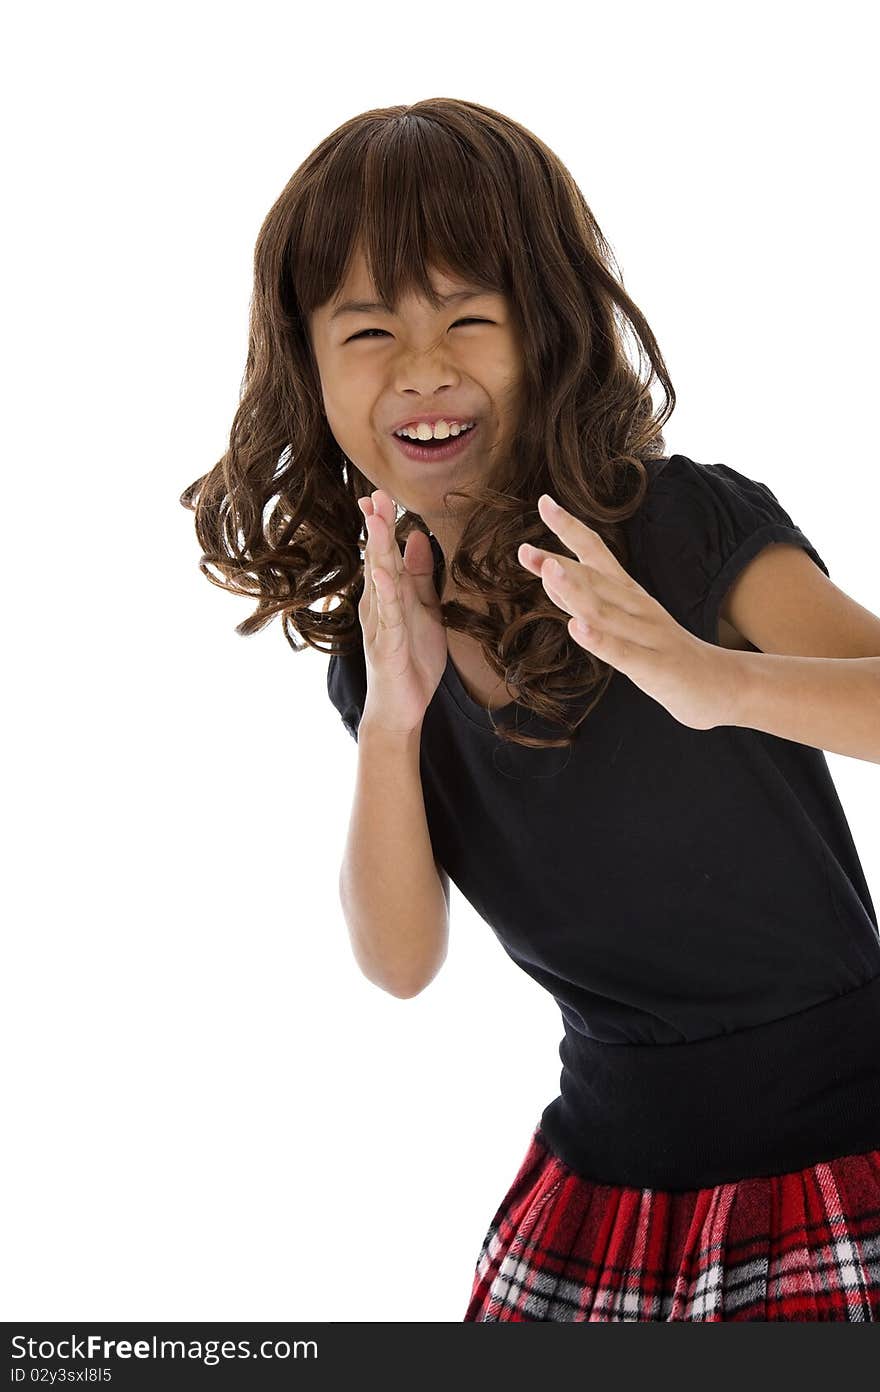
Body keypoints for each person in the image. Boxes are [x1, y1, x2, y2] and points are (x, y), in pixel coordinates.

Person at [180, 97, 880, 1321]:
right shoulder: (385, 643)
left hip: (840, 1160)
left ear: (544, 333)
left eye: (468, 317)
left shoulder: (679, 527)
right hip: (607, 1184)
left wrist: (711, 682)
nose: (423, 371)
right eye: (367, 330)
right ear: (305, 361)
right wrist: (393, 722)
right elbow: (399, 964)